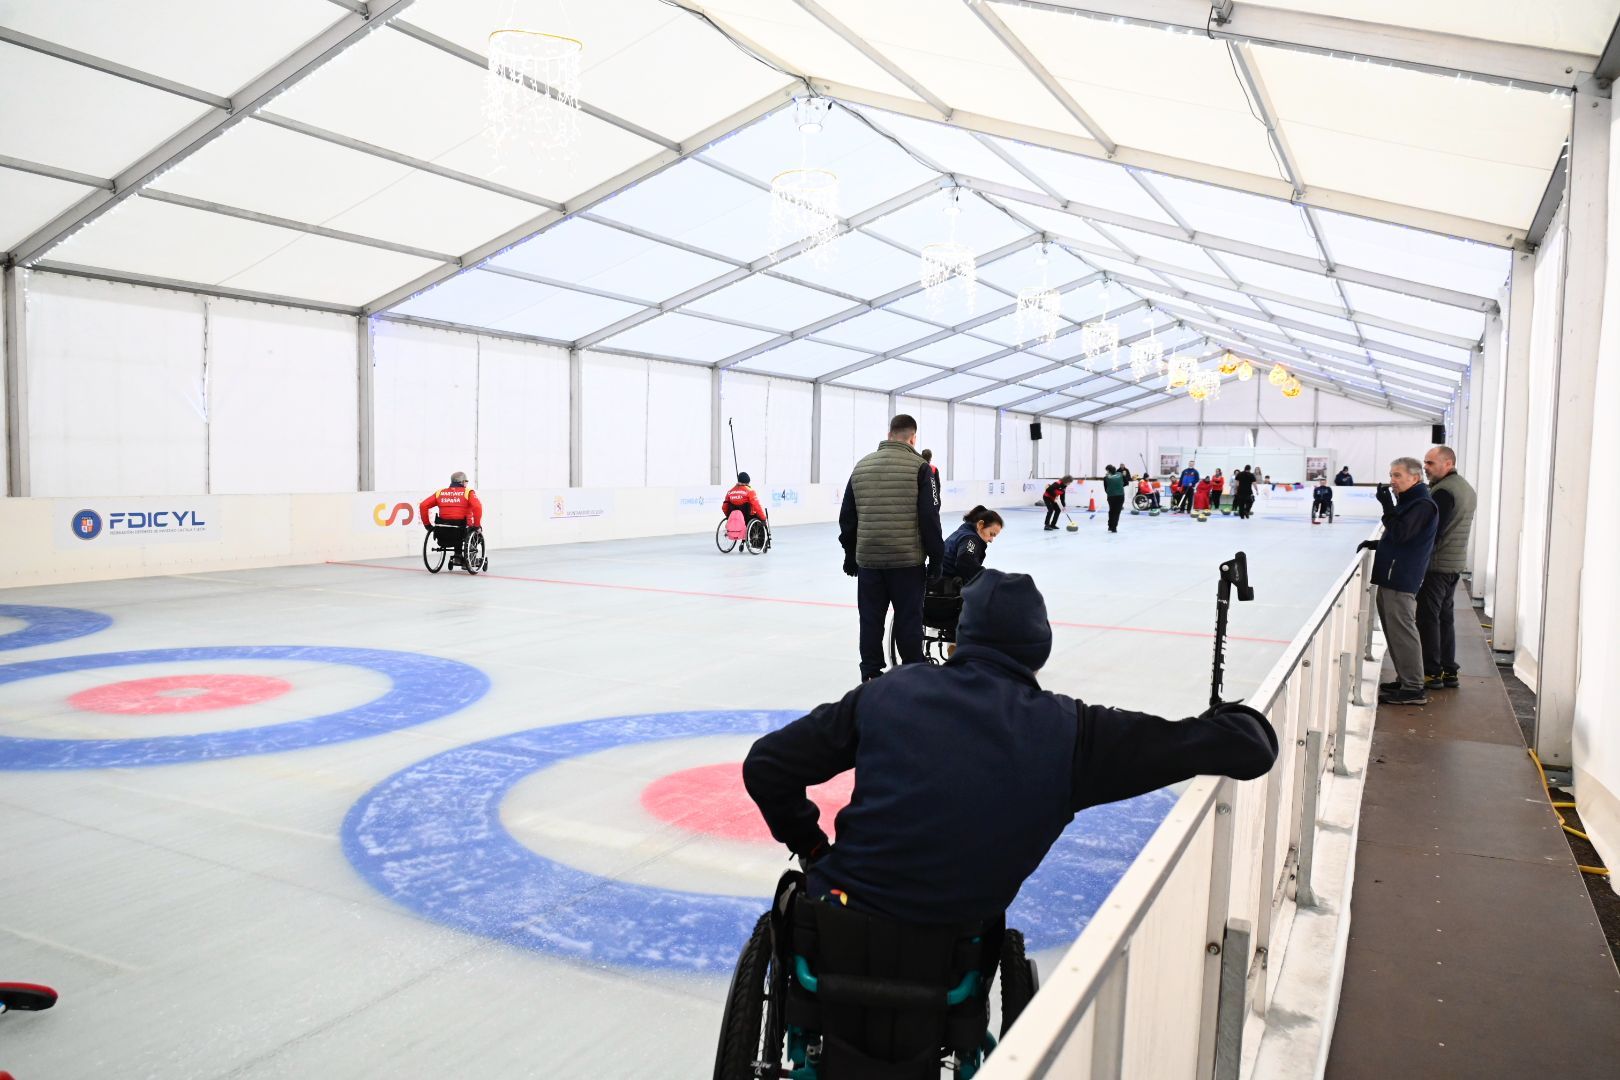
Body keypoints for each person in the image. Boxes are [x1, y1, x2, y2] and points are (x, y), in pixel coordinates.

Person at [742, 569, 1279, 928]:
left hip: (840, 917)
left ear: (960, 638)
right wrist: (1224, 717)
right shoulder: (1075, 732)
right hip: (955, 938)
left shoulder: (889, 692)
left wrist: (811, 846)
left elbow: (768, 765)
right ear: (1038, 650)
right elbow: (1247, 747)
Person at [839, 414, 945, 683]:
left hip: (869, 561)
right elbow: (930, 517)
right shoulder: (921, 467)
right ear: (913, 438)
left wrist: (850, 555)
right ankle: (911, 676)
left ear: (889, 435)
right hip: (906, 562)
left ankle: (870, 675)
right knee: (909, 620)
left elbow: (848, 517)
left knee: (871, 620)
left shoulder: (861, 466)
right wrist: (937, 559)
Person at [1356, 458, 1439, 705]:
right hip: (1394, 573)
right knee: (1395, 630)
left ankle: (1413, 687)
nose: (1392, 481)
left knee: (1402, 631)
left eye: (1398, 476)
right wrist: (1380, 545)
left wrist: (1386, 506)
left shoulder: (1422, 504)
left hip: (1401, 577)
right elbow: (1404, 537)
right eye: (1391, 475)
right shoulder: (1411, 501)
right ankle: (1406, 679)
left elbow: (1402, 533)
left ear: (1415, 478)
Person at [1418, 446, 1476, 690]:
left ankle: (1432, 671)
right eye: (1425, 463)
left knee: (1428, 618)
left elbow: (1433, 531)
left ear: (1448, 463)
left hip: (1438, 565)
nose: (1426, 468)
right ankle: (1448, 669)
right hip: (1453, 564)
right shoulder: (1464, 488)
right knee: (1444, 617)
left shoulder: (1444, 492)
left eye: (1430, 463)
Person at [942, 506, 1003, 584]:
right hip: (946, 585)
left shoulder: (964, 531)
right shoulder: (970, 538)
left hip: (940, 580)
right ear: (980, 525)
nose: (991, 540)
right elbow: (965, 561)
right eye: (991, 534)